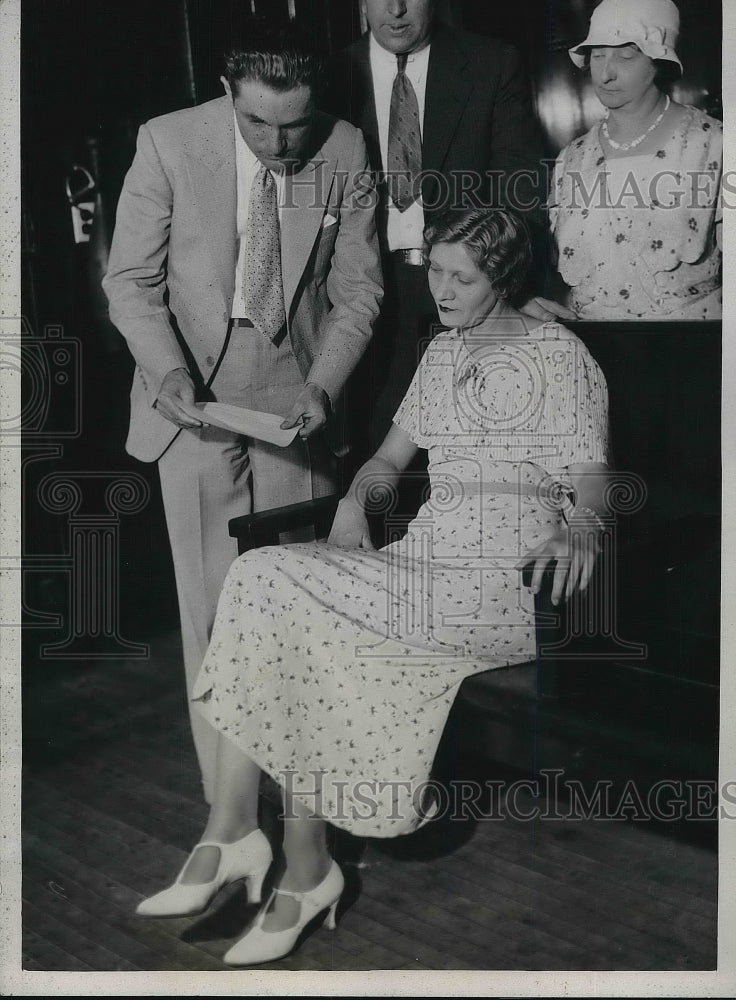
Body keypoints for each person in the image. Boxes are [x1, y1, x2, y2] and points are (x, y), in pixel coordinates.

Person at [133, 207, 610, 966]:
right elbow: (388, 462)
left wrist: (581, 526)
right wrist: (358, 499)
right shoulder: (442, 354)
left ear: (505, 279)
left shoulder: (562, 357)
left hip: (505, 585)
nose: (442, 290)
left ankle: (295, 862)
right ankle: (239, 834)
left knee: (299, 609)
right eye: (436, 272)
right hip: (425, 562)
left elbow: (591, 476)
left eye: (462, 277)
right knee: (260, 574)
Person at [102, 18, 382, 804]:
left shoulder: (347, 148)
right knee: (215, 622)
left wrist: (322, 384)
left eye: (297, 124)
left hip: (294, 405)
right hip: (188, 402)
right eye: (259, 122)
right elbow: (130, 281)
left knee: (295, 614)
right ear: (228, 93)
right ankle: (232, 821)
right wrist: (166, 372)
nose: (281, 144)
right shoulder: (165, 142)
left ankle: (305, 820)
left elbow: (359, 292)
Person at [328, 0, 548, 452]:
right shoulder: (331, 74)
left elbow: (518, 195)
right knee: (375, 457)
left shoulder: (493, 64)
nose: (397, 9)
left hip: (466, 290)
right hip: (365, 297)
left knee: (466, 450)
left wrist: (509, 288)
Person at [548, 0, 722, 320]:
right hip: (593, 345)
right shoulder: (571, 159)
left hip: (690, 350)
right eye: (598, 55)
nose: (606, 72)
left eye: (626, 55)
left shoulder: (714, 145)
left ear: (659, 62)